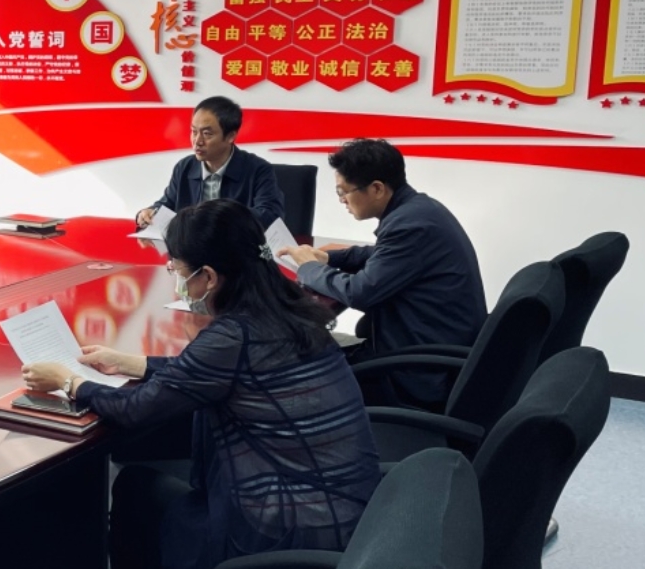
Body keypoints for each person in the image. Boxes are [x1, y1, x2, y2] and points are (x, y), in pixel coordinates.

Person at [22, 200, 380, 569]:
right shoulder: (288, 306)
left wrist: (68, 381)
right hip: (349, 509)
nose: (176, 278)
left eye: (177, 268)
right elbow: (220, 371)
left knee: (135, 489)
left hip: (286, 523)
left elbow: (135, 409)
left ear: (208, 277)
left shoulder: (234, 335)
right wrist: (132, 363)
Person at [282, 138, 486, 407]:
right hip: (428, 349)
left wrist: (310, 268)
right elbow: (381, 254)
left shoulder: (410, 226)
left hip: (416, 375)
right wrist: (330, 258)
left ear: (377, 188)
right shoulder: (419, 210)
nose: (342, 200)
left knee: (293, 376)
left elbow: (359, 292)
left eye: (344, 191)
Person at [135, 96, 284, 229]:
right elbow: (168, 204)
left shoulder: (258, 169)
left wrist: (219, 216)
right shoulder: (185, 167)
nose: (197, 141)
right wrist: (149, 212)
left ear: (230, 136)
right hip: (192, 249)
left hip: (237, 248)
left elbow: (270, 216)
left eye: (207, 134)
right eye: (194, 132)